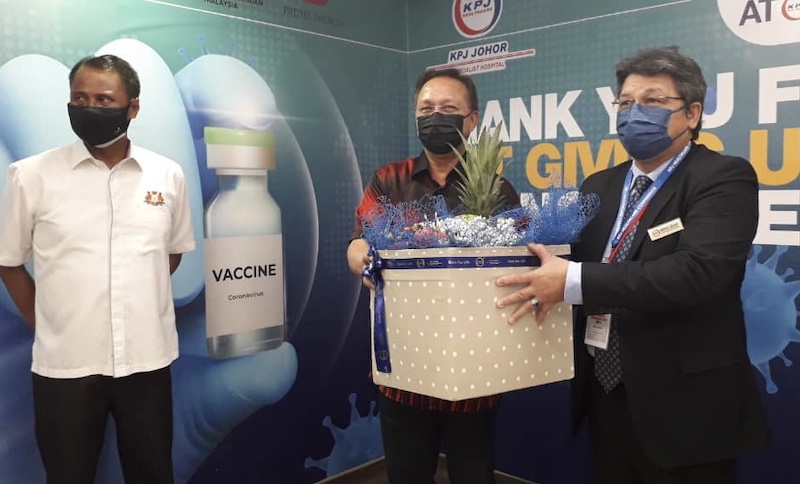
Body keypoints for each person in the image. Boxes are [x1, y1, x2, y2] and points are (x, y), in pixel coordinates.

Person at [495, 47, 770, 484]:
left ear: (693, 113)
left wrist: (572, 281)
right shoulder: (599, 185)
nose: (634, 112)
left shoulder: (723, 177)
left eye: (654, 101)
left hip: (686, 404)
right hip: (606, 391)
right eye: (625, 102)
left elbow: (700, 274)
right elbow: (565, 264)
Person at [0, 54, 195, 484]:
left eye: (104, 99)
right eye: (79, 97)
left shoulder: (167, 175)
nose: (89, 107)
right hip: (65, 367)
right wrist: (44, 320)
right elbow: (9, 262)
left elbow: (173, 253)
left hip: (146, 360)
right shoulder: (31, 176)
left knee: (152, 473)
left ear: (133, 108)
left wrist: (133, 288)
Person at [347, 68, 519, 484]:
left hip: (475, 371)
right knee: (407, 473)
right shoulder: (389, 181)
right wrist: (367, 261)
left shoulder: (498, 191)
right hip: (402, 368)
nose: (435, 116)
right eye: (426, 109)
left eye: (447, 109)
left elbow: (514, 265)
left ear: (471, 119)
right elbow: (357, 243)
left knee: (473, 473)